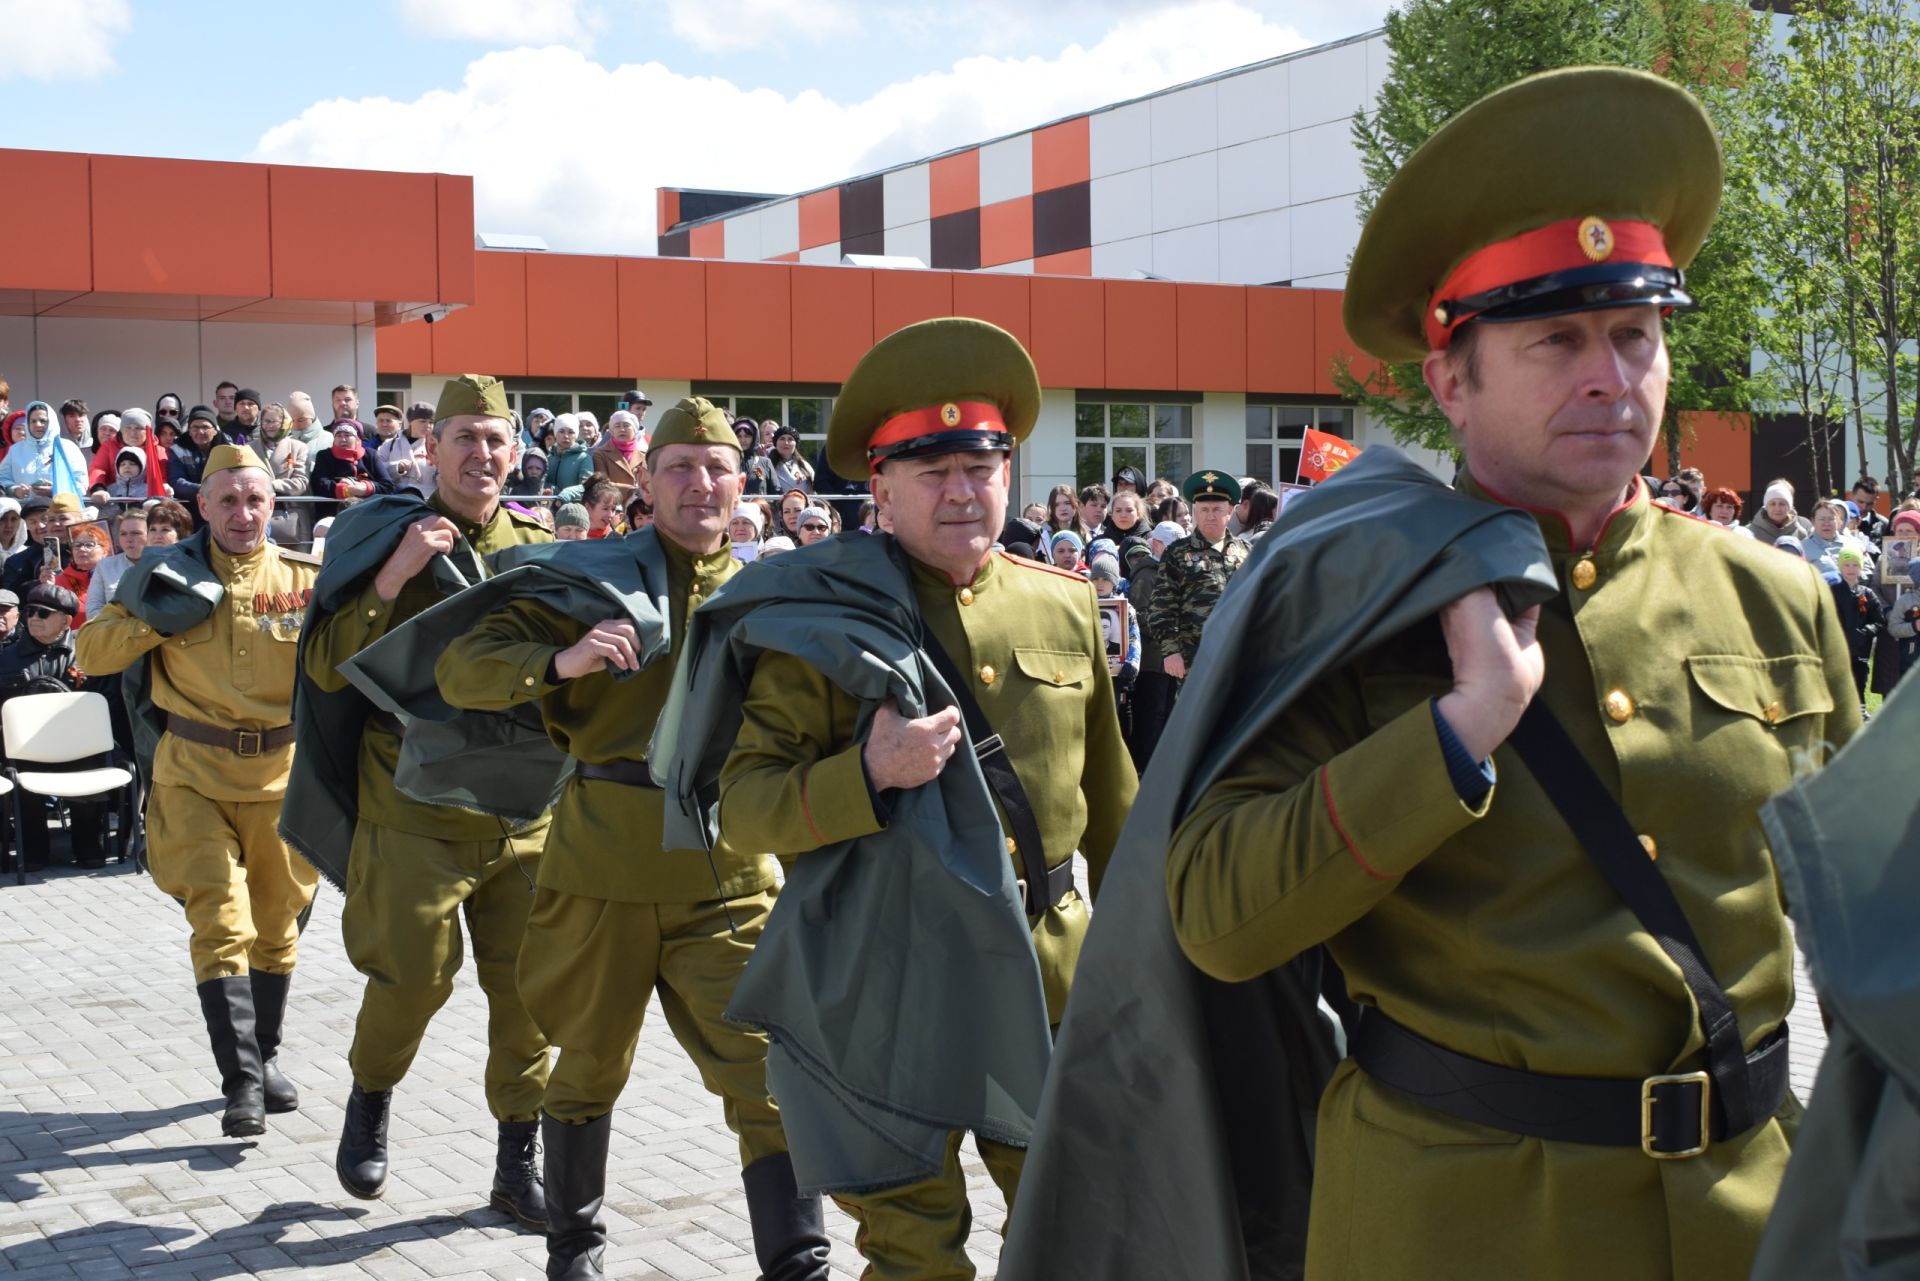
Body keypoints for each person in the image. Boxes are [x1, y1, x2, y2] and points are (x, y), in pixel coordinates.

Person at [1151, 66, 1860, 1280]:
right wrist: (1457, 731)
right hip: (1458, 1221)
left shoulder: (1776, 593)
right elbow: (1218, 919)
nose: (1609, 375)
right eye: (1556, 340)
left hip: (1753, 1216)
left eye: (1635, 334)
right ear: (1449, 381)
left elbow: (1869, 937)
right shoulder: (1358, 605)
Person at [714, 317, 1136, 1281]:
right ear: (881, 485)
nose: (960, 490)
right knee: (914, 1255)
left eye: (980, 465)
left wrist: (1152, 958)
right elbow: (743, 806)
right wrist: (865, 772)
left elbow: (1114, 806)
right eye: (930, 467)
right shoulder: (814, 615)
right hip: (885, 985)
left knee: (1078, 1232)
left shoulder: (1063, 601)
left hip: (1046, 979)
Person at [432, 397, 830, 1281]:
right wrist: (559, 661)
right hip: (600, 864)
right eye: (679, 466)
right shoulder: (586, 573)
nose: (700, 484)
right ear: (644, 480)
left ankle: (798, 1263)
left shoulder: (775, 586)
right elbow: (460, 665)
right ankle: (574, 1250)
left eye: (716, 466)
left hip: (725, 869)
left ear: (744, 480)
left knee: (769, 1073)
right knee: (586, 1068)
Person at [299, 375, 553, 1227]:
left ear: (516, 453)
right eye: (465, 439)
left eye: (496, 440)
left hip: (521, 809)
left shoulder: (543, 545)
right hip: (414, 799)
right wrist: (392, 576)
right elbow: (326, 665)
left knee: (530, 990)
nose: (482, 454)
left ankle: (519, 1160)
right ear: (429, 448)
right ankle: (371, 1094)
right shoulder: (383, 535)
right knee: (411, 977)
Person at [75, 444, 322, 1138]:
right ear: (204, 506)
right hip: (194, 774)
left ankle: (264, 1057)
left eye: (256, 500)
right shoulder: (163, 572)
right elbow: (90, 653)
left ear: (274, 506)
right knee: (221, 922)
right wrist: (161, 613)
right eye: (229, 501)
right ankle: (240, 1082)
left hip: (280, 776)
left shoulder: (306, 579)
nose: (243, 514)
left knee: (277, 928)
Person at [0, 582, 108, 870]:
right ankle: (33, 851)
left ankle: (88, 845)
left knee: (93, 766)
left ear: (66, 620)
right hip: (26, 750)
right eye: (30, 611)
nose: (34, 618)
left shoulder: (87, 654)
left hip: (79, 747)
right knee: (18, 775)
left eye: (44, 613)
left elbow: (105, 701)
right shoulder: (5, 659)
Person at [1147, 470, 1248, 681]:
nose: (1210, 515)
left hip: (1240, 655)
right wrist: (1171, 651)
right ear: (1194, 512)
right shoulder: (1177, 552)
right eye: (1204, 510)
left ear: (1230, 511)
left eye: (1217, 509)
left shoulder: (1246, 551)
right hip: (1194, 658)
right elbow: (1161, 607)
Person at [1828, 547, 1883, 711]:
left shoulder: (1867, 593)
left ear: (1860, 568)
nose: (1851, 569)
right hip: (1839, 647)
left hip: (1861, 648)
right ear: (1840, 567)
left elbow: (1879, 621)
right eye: (1847, 565)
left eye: (1854, 565)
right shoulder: (1833, 592)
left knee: (1860, 678)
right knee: (1840, 679)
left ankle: (1860, 709)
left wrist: (1867, 632)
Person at [0, 401, 90, 500]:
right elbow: (3, 478)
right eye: (33, 421)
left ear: (51, 422)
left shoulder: (68, 448)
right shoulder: (15, 450)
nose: (38, 424)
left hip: (59, 510)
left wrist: (56, 490)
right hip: (26, 511)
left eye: (43, 421)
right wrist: (15, 490)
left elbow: (81, 483)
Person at [308, 421, 395, 517]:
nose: (343, 439)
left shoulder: (370, 455)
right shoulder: (324, 455)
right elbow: (318, 484)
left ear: (357, 439)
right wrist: (345, 489)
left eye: (347, 435)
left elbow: (387, 486)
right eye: (339, 435)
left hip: (369, 512)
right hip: (333, 513)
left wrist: (365, 488)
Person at [86, 507, 148, 616]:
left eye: (136, 533)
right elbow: (93, 609)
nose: (128, 539)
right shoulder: (104, 566)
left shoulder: (164, 564)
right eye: (123, 534)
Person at [168, 405, 229, 510]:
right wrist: (205, 489)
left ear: (215, 431)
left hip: (222, 503)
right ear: (189, 431)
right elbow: (176, 482)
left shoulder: (227, 448)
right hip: (190, 506)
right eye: (195, 428)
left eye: (205, 427)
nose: (200, 432)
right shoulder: (178, 449)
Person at [1746, 478, 1812, 544]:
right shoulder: (1748, 533)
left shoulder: (1801, 533)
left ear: (1790, 506)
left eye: (1782, 504)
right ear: (1766, 506)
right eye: (1772, 504)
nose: (1777, 509)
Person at [547, 415, 595, 496]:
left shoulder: (584, 458)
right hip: (548, 506)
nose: (566, 436)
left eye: (571, 432)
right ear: (555, 434)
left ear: (576, 434)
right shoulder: (548, 457)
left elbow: (586, 486)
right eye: (561, 431)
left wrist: (567, 494)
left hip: (573, 506)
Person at [765, 425, 814, 494]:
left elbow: (814, 490)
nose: (786, 443)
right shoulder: (767, 465)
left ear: (796, 444)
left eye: (790, 439)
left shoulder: (805, 466)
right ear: (775, 443)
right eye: (782, 439)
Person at [735, 418, 775, 495]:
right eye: (739, 436)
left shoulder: (765, 462)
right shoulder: (728, 462)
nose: (743, 440)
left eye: (747, 436)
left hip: (760, 506)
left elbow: (775, 491)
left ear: (754, 438)